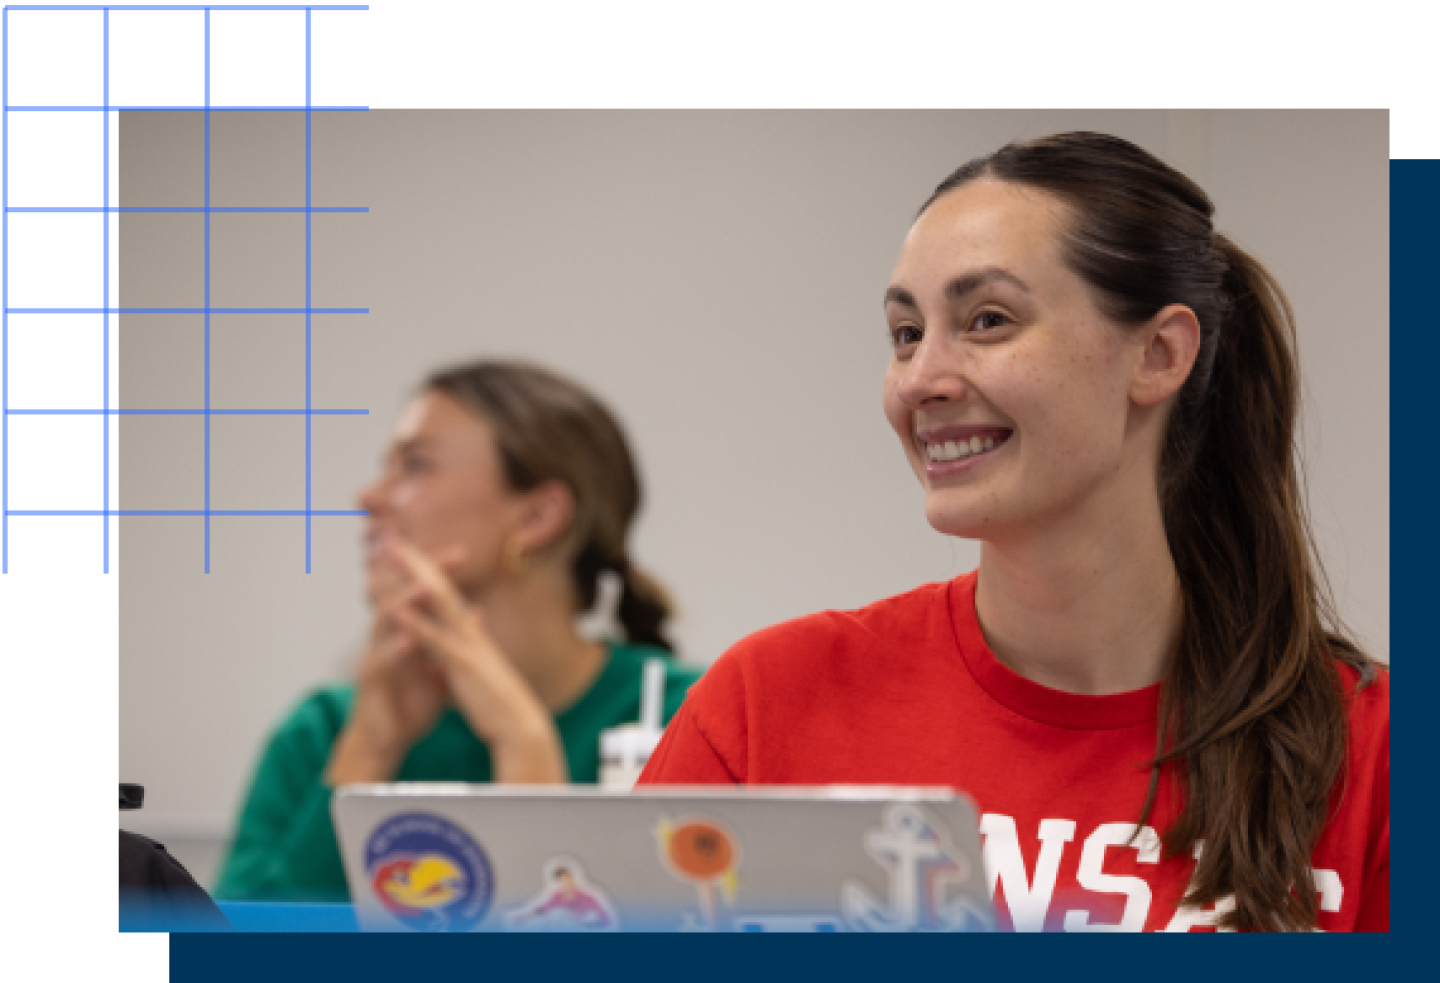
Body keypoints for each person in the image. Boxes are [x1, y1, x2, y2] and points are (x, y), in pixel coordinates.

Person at [639, 133, 1389, 933]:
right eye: (905, 334)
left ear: (1159, 354)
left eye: (987, 320)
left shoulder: (1376, 749)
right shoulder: (768, 704)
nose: (922, 379)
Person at [216, 361, 703, 901]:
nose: (368, 497)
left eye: (416, 466)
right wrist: (369, 753)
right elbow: (236, 956)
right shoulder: (323, 731)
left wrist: (524, 746)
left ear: (538, 516)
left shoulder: (691, 719)